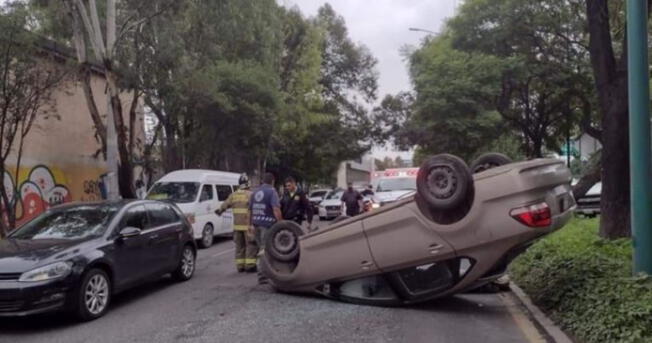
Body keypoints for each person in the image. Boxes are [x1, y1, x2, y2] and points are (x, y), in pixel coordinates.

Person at [216, 174, 256, 273]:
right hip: (248, 226)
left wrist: (220, 211)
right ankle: (250, 265)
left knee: (239, 246)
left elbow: (224, 205)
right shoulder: (251, 195)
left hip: (237, 226)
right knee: (250, 245)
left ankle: (240, 266)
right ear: (248, 184)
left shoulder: (233, 195)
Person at [249, 172, 283, 283]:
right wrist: (281, 223)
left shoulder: (255, 192)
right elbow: (276, 209)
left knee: (261, 249)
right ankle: (262, 276)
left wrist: (251, 224)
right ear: (272, 181)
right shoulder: (272, 192)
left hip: (256, 224)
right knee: (265, 250)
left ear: (263, 181)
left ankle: (264, 273)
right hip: (267, 225)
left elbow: (250, 210)